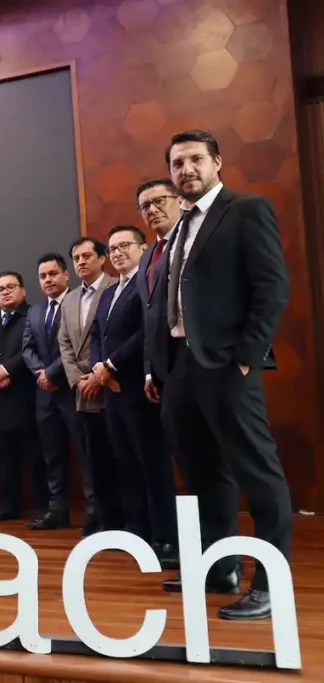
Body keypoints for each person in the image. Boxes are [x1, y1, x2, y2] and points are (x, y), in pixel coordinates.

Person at [151, 130, 291, 620]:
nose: (186, 169)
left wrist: (247, 356)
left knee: (258, 472)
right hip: (181, 367)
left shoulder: (246, 210)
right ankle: (219, 569)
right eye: (177, 163)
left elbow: (272, 288)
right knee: (202, 474)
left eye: (195, 159)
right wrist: (163, 366)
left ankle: (270, 585)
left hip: (229, 365)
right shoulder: (180, 226)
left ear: (217, 163)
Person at [90, 227, 177, 566]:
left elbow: (146, 332)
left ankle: (164, 537)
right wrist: (100, 367)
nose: (117, 252)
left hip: (141, 388)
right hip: (112, 391)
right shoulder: (109, 293)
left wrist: (111, 365)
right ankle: (136, 530)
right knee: (125, 462)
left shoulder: (148, 285)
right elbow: (98, 336)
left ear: (143, 249)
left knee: (152, 464)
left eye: (124, 245)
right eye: (112, 248)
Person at [0, 271, 45, 522]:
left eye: (11, 287)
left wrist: (8, 370)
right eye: (1, 288)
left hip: (25, 397)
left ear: (23, 290)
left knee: (36, 458)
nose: (5, 292)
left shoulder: (34, 315)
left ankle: (43, 509)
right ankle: (7, 507)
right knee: (3, 459)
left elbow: (35, 349)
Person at [57, 237, 119, 536]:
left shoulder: (116, 287)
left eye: (86, 256)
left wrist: (98, 376)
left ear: (102, 258)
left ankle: (123, 519)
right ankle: (99, 517)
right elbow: (64, 343)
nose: (81, 262)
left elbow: (115, 338)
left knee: (118, 456)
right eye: (76, 258)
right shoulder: (69, 299)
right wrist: (78, 379)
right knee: (92, 459)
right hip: (82, 391)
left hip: (111, 384)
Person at [23, 254, 85, 531]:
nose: (48, 280)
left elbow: (77, 347)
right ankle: (57, 511)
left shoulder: (77, 302)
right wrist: (42, 373)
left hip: (73, 390)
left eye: (53, 274)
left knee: (86, 454)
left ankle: (96, 514)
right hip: (44, 395)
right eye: (43, 276)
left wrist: (52, 373)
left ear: (65, 275)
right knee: (52, 457)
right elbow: (27, 348)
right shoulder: (35, 311)